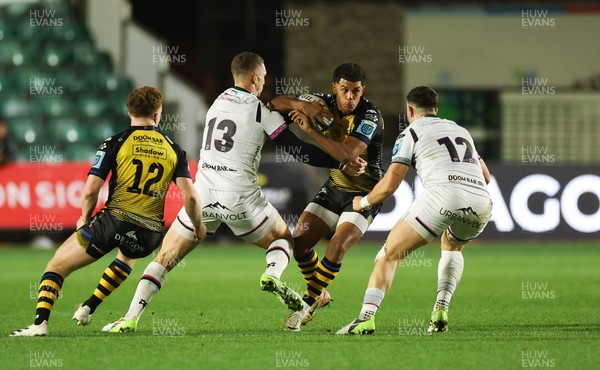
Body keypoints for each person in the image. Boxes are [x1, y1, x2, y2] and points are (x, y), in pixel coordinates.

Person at [101, 52, 366, 333]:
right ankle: (272, 274)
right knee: (286, 241)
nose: (264, 83)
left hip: (203, 193)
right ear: (254, 78)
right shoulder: (260, 112)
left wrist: (294, 107)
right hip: (240, 196)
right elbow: (296, 149)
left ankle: (129, 318)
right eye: (263, 78)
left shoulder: (216, 102)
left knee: (164, 258)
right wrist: (341, 160)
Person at [10, 86, 204, 337]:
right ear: (157, 115)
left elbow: (91, 190)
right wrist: (198, 228)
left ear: (129, 112)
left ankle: (40, 324)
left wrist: (84, 219)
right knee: (127, 254)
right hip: (150, 234)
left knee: (56, 266)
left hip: (114, 222)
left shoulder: (116, 142)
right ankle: (89, 307)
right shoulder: (174, 150)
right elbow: (190, 196)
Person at [336, 86, 493, 335]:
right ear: (436, 109)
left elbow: (389, 186)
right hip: (482, 202)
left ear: (409, 109)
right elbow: (486, 176)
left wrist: (363, 202)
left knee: (389, 254)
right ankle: (441, 308)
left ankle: (365, 317)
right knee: (452, 245)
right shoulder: (461, 130)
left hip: (443, 194)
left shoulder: (411, 133)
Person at [269, 63, 385, 331]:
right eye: (344, 90)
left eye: (355, 91)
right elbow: (275, 103)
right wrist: (301, 104)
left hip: (365, 192)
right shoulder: (322, 102)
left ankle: (307, 303)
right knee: (298, 242)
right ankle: (320, 292)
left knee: (337, 245)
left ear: (362, 90)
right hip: (335, 187)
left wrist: (310, 131)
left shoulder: (370, 116)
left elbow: (347, 154)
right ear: (335, 88)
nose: (350, 97)